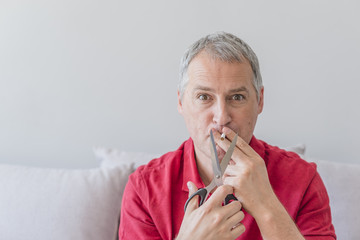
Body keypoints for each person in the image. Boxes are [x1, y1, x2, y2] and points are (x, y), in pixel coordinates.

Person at [119, 32, 336, 239]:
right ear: (180, 102)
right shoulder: (144, 189)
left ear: (259, 101)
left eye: (237, 97)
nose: (222, 118)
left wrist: (267, 207)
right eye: (204, 97)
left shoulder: (303, 180)